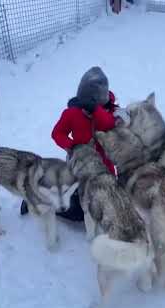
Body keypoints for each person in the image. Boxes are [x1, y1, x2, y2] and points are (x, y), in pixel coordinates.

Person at [20, 66, 120, 221]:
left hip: (104, 168)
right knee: (80, 212)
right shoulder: (71, 114)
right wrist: (72, 146)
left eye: (92, 108)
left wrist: (96, 110)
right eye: (84, 108)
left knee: (111, 203)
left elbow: (110, 125)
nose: (87, 112)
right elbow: (57, 133)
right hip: (79, 166)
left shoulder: (109, 113)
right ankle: (36, 198)